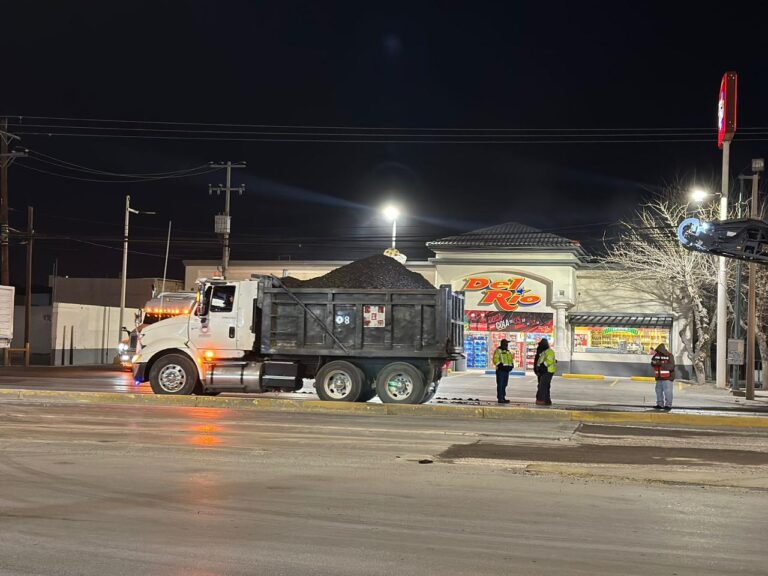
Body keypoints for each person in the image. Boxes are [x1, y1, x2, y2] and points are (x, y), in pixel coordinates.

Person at [651, 343, 675, 410]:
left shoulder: (669, 355)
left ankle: (668, 405)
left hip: (667, 378)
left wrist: (661, 364)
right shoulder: (656, 355)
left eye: (659, 351)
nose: (658, 352)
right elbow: (652, 362)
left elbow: (671, 367)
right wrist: (654, 363)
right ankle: (660, 404)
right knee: (658, 391)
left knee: (668, 392)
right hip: (659, 378)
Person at [535, 338, 556, 405]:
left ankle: (542, 400)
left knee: (543, 386)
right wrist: (538, 369)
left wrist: (542, 366)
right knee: (545, 386)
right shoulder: (544, 351)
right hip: (543, 371)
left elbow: (548, 361)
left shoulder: (548, 351)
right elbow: (538, 361)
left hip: (547, 371)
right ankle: (546, 400)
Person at [493, 339, 514, 404]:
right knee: (500, 384)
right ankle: (500, 398)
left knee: (504, 385)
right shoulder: (498, 351)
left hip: (506, 371)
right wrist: (501, 366)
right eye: (506, 344)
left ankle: (503, 397)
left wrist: (511, 366)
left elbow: (510, 360)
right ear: (502, 344)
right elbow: (495, 360)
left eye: (507, 344)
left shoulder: (508, 352)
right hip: (501, 371)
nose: (507, 345)